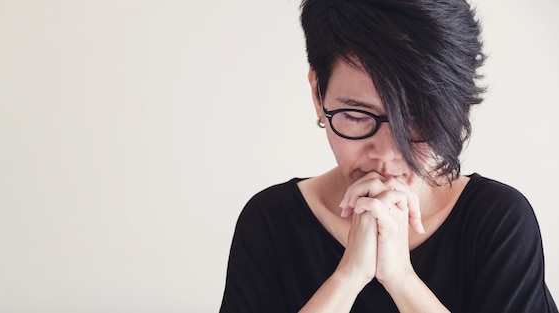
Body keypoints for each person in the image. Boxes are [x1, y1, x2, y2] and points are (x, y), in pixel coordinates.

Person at [219, 0, 558, 312]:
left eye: (416, 120)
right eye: (356, 115)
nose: (386, 153)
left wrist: (401, 280)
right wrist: (348, 276)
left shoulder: (497, 221)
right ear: (317, 95)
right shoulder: (270, 222)